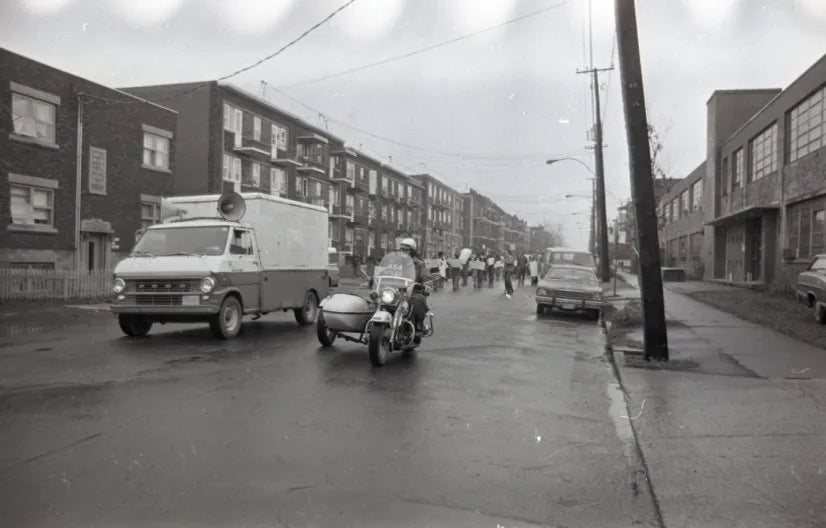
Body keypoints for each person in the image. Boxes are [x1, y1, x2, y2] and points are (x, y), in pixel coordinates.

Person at [398, 238, 430, 344]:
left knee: (417, 300)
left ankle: (418, 326)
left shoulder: (419, 264)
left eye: (405, 250)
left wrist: (426, 284)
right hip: (395, 290)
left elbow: (426, 277)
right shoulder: (394, 262)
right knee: (376, 299)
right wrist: (373, 279)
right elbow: (384, 271)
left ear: (412, 251)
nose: (402, 252)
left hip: (412, 291)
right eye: (401, 249)